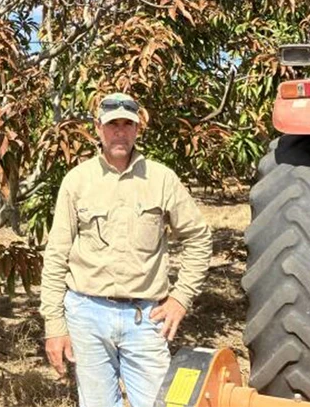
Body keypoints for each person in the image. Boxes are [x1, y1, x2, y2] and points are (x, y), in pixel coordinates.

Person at [39, 92, 213, 407]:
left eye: (127, 124)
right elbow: (56, 256)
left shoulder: (161, 179)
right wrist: (54, 325)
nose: (120, 131)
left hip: (144, 318)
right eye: (112, 124)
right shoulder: (77, 181)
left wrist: (180, 298)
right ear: (98, 128)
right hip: (87, 315)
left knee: (161, 403)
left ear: (137, 129)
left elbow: (198, 237)